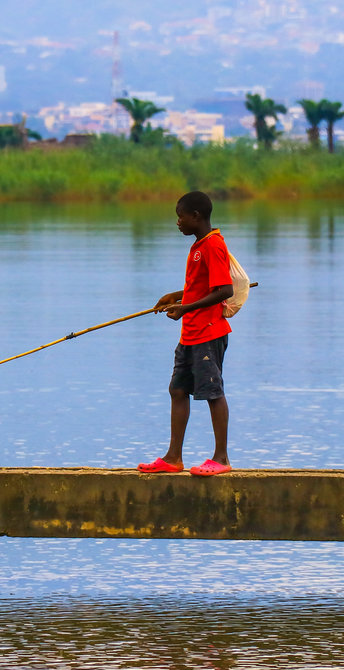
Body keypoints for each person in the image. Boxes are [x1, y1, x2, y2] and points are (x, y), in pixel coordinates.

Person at [139, 191, 234, 477]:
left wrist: (186, 308)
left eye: (181, 216)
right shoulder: (197, 247)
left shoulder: (213, 245)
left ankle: (221, 458)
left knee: (212, 392)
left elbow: (224, 291)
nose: (178, 222)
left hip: (209, 332)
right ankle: (173, 458)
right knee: (178, 390)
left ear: (197, 216)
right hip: (190, 334)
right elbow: (203, 287)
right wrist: (175, 297)